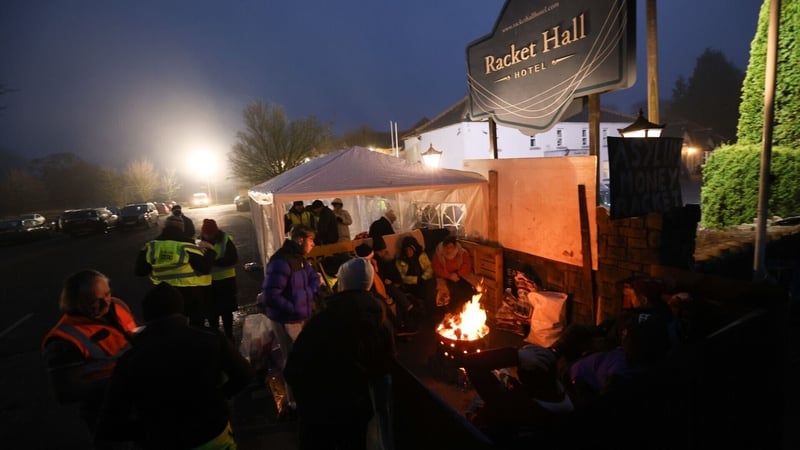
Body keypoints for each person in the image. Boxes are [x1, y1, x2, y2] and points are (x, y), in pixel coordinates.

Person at [95, 282, 254, 449]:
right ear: (181, 309)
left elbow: (109, 426)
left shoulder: (130, 360)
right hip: (213, 435)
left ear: (147, 315)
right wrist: (219, 397)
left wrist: (152, 429)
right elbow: (245, 374)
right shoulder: (211, 339)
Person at [285, 257, 396, 450]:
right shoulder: (381, 321)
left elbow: (293, 369)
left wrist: (308, 407)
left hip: (321, 418)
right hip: (358, 415)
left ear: (343, 283)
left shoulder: (323, 322)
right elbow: (384, 370)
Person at [41, 269, 139, 442]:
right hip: (105, 409)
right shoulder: (64, 341)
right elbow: (66, 393)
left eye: (107, 294)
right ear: (75, 302)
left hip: (137, 399)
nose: (105, 303)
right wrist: (121, 381)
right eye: (94, 300)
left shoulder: (118, 305)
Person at [261, 224, 321, 417]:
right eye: (311, 240)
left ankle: (304, 395)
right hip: (287, 319)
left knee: (301, 356)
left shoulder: (299, 259)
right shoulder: (281, 262)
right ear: (300, 240)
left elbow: (314, 278)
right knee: (293, 359)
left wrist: (309, 292)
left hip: (299, 317)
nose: (313, 244)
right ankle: (295, 401)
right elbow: (270, 296)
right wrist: (295, 308)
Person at [135, 214, 216, 327]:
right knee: (195, 326)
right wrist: (211, 251)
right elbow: (205, 268)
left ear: (165, 226)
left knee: (170, 325)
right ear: (182, 227)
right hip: (191, 294)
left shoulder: (150, 246)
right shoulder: (189, 245)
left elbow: (140, 271)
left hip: (164, 294)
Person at [357, 241, 417, 336]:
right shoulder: (363, 269)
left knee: (393, 295)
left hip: (380, 289)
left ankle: (404, 320)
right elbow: (371, 286)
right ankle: (398, 328)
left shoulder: (374, 263)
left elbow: (381, 278)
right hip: (370, 295)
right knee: (384, 305)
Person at [200, 218, 238, 340]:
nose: (209, 236)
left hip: (226, 281)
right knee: (212, 312)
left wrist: (213, 262)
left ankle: (229, 336)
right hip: (208, 283)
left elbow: (233, 259)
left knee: (226, 311)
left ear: (216, 232)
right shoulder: (199, 242)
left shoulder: (225, 240)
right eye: (207, 234)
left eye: (211, 234)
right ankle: (215, 336)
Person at [432, 235, 479, 312]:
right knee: (449, 291)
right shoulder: (438, 254)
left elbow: (467, 265)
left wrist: (458, 274)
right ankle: (452, 312)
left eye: (451, 247)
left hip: (459, 275)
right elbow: (437, 268)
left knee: (468, 288)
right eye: (447, 247)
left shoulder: (462, 253)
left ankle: (466, 310)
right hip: (444, 276)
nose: (449, 249)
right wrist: (449, 275)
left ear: (455, 246)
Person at [396, 235, 434, 312]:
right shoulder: (400, 261)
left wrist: (423, 278)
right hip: (410, 284)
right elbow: (401, 277)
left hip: (424, 280)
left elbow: (429, 268)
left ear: (414, 249)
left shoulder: (421, 255)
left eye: (410, 249)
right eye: (406, 250)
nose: (408, 252)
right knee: (422, 291)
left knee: (431, 286)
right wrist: (416, 280)